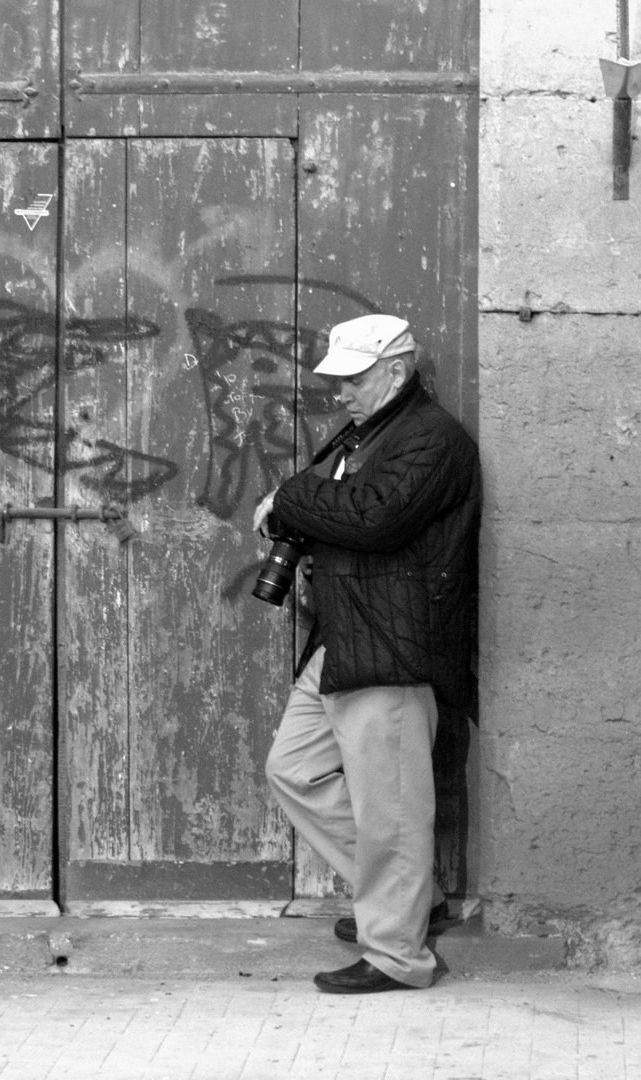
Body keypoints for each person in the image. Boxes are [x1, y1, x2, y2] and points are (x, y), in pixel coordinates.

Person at [254, 313, 480, 994]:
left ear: (395, 371)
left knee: (391, 807)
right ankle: (409, 902)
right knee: (293, 769)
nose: (340, 393)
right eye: (335, 381)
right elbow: (351, 507)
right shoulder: (370, 431)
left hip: (393, 643)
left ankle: (396, 957)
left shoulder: (432, 439)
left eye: (352, 379)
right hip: (347, 636)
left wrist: (289, 496)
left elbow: (372, 517)